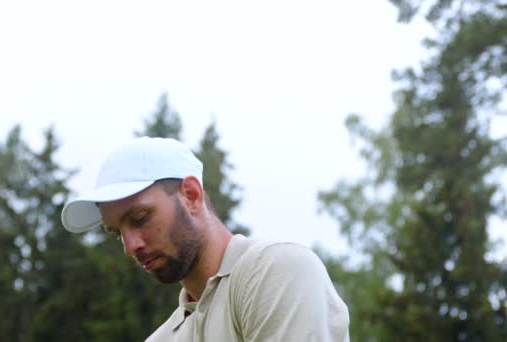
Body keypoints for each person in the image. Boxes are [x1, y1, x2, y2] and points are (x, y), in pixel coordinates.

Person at [61, 136, 350, 341]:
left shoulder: (277, 270)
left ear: (191, 195)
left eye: (140, 219)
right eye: (117, 233)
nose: (130, 246)